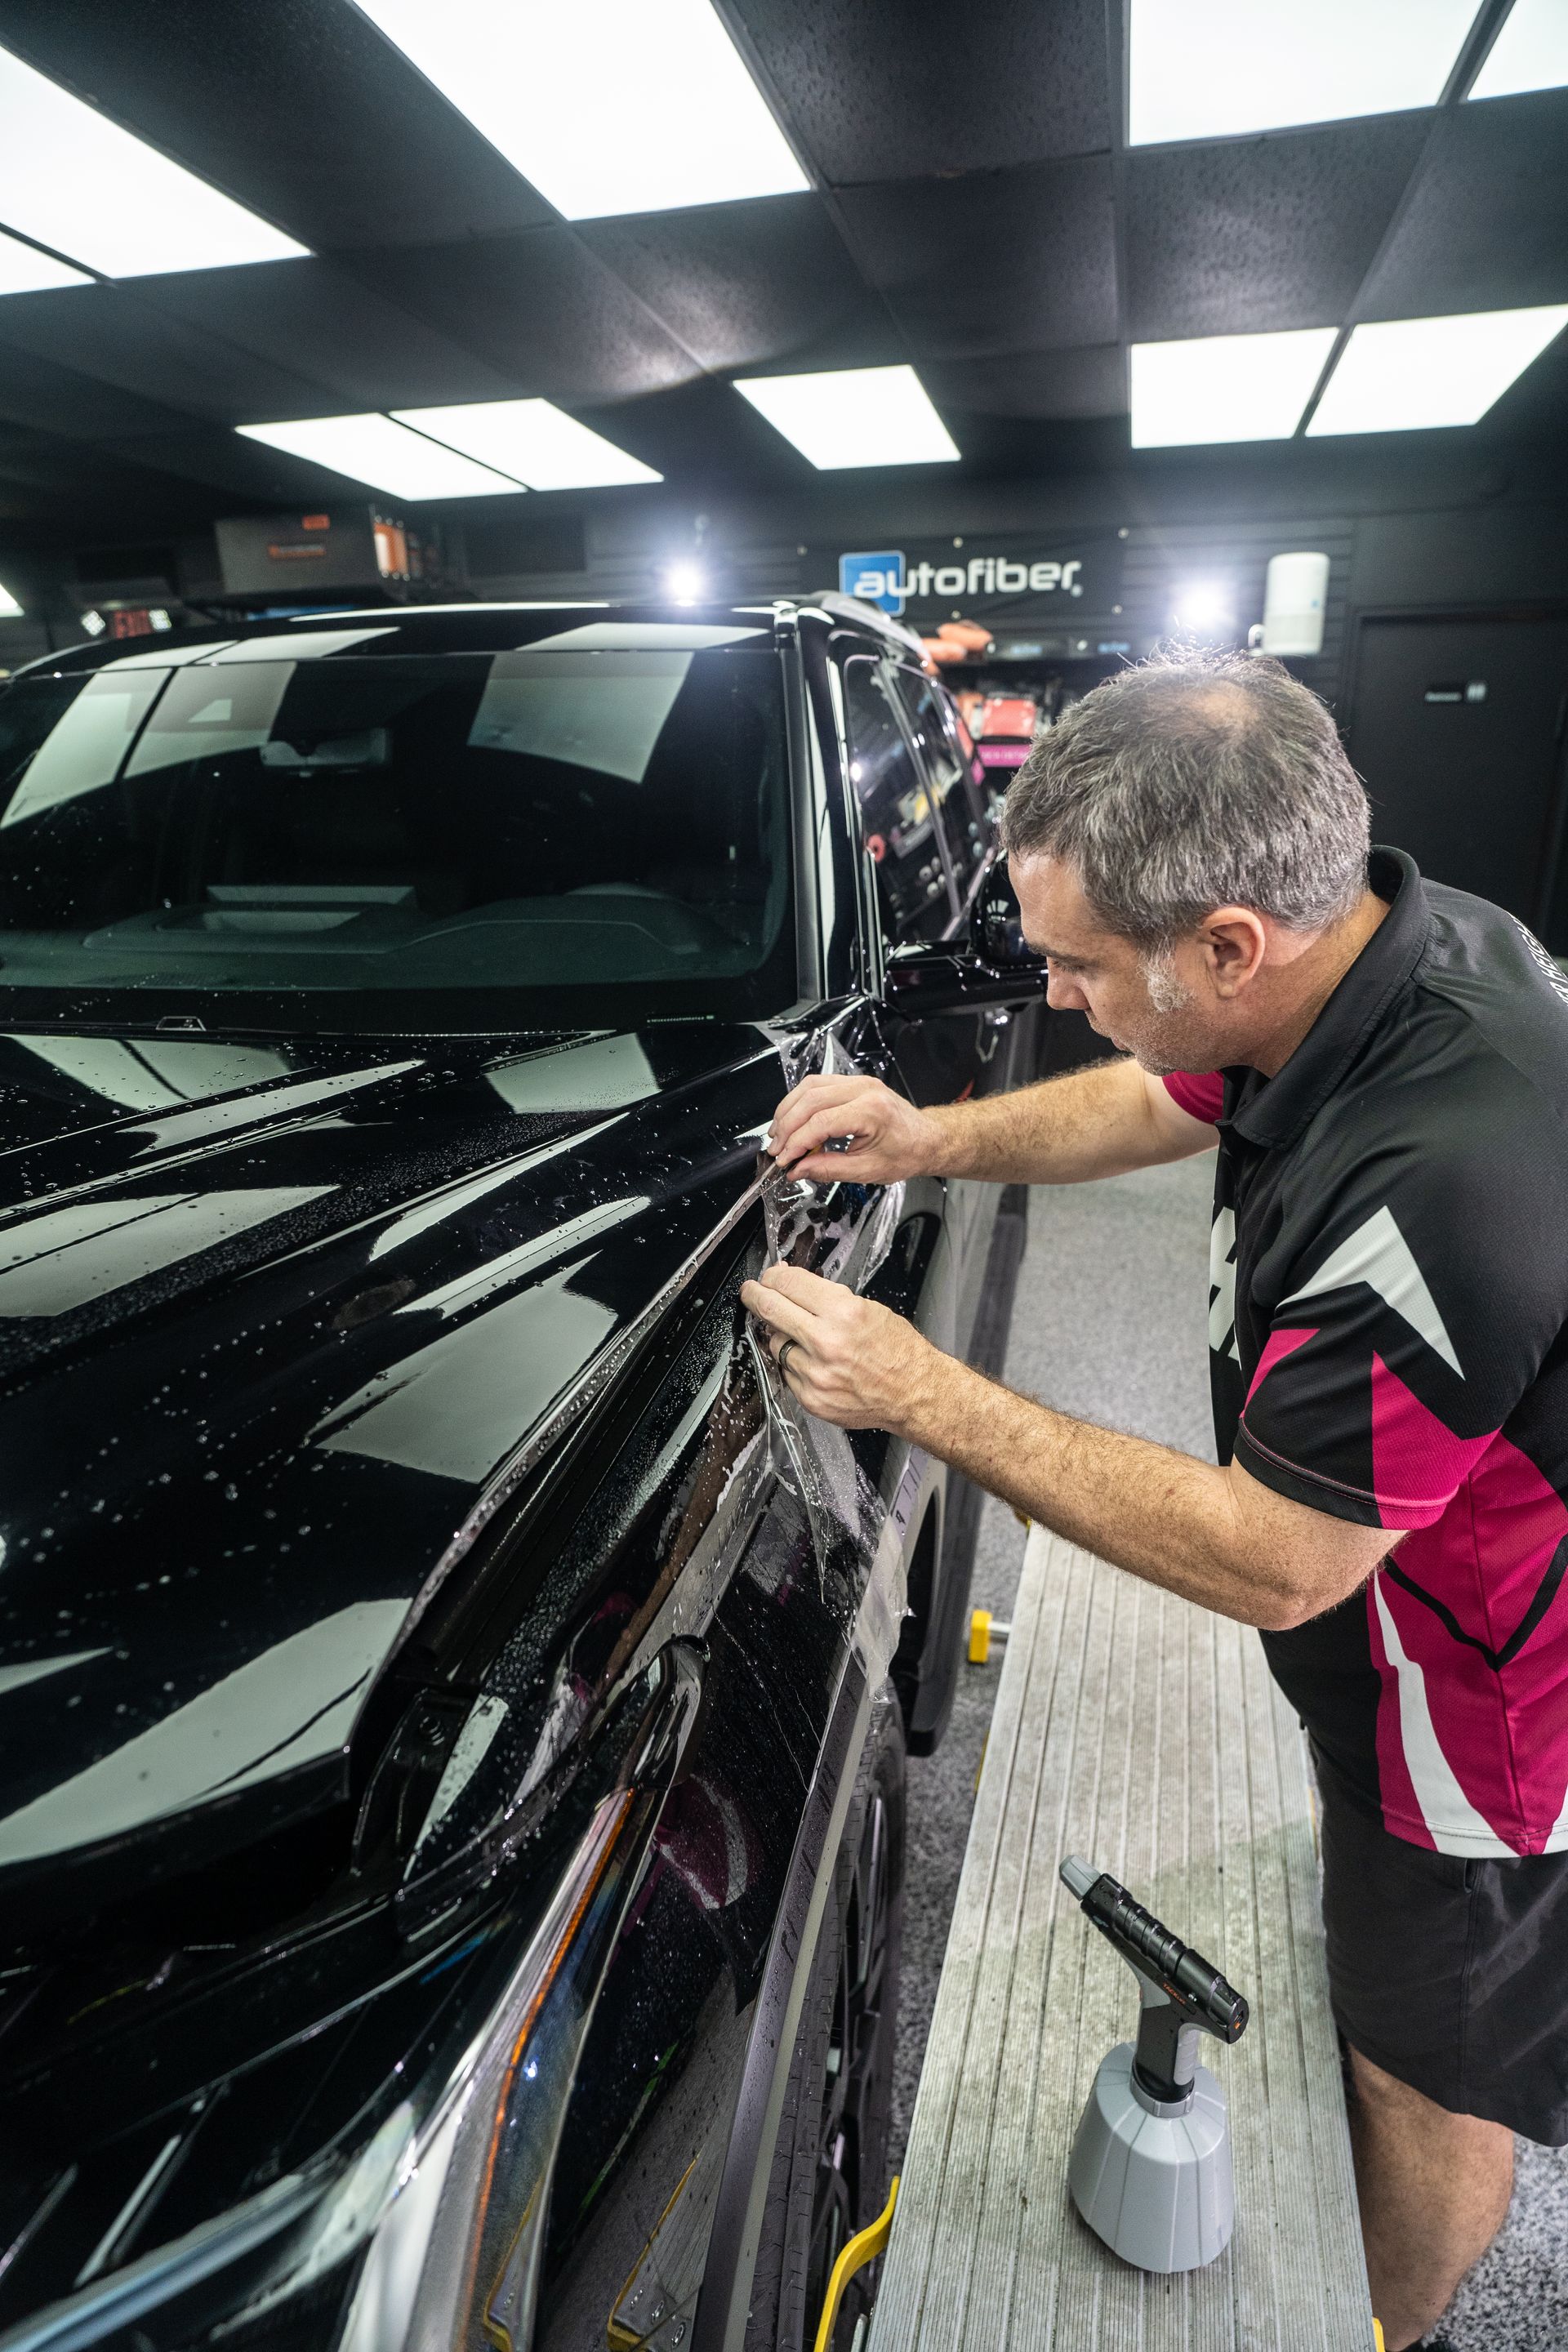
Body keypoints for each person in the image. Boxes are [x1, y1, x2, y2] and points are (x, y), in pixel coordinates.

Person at [742, 650, 1568, 2352]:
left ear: (1227, 946)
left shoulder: (1447, 1185)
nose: (1049, 990)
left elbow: (1278, 1562)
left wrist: (924, 1392)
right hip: (1403, 1630)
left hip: (1487, 1723)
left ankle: (1374, 2328)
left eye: (1075, 962)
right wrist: (926, 1140)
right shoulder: (1378, 950)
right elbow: (1163, 1083)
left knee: (1432, 2076)